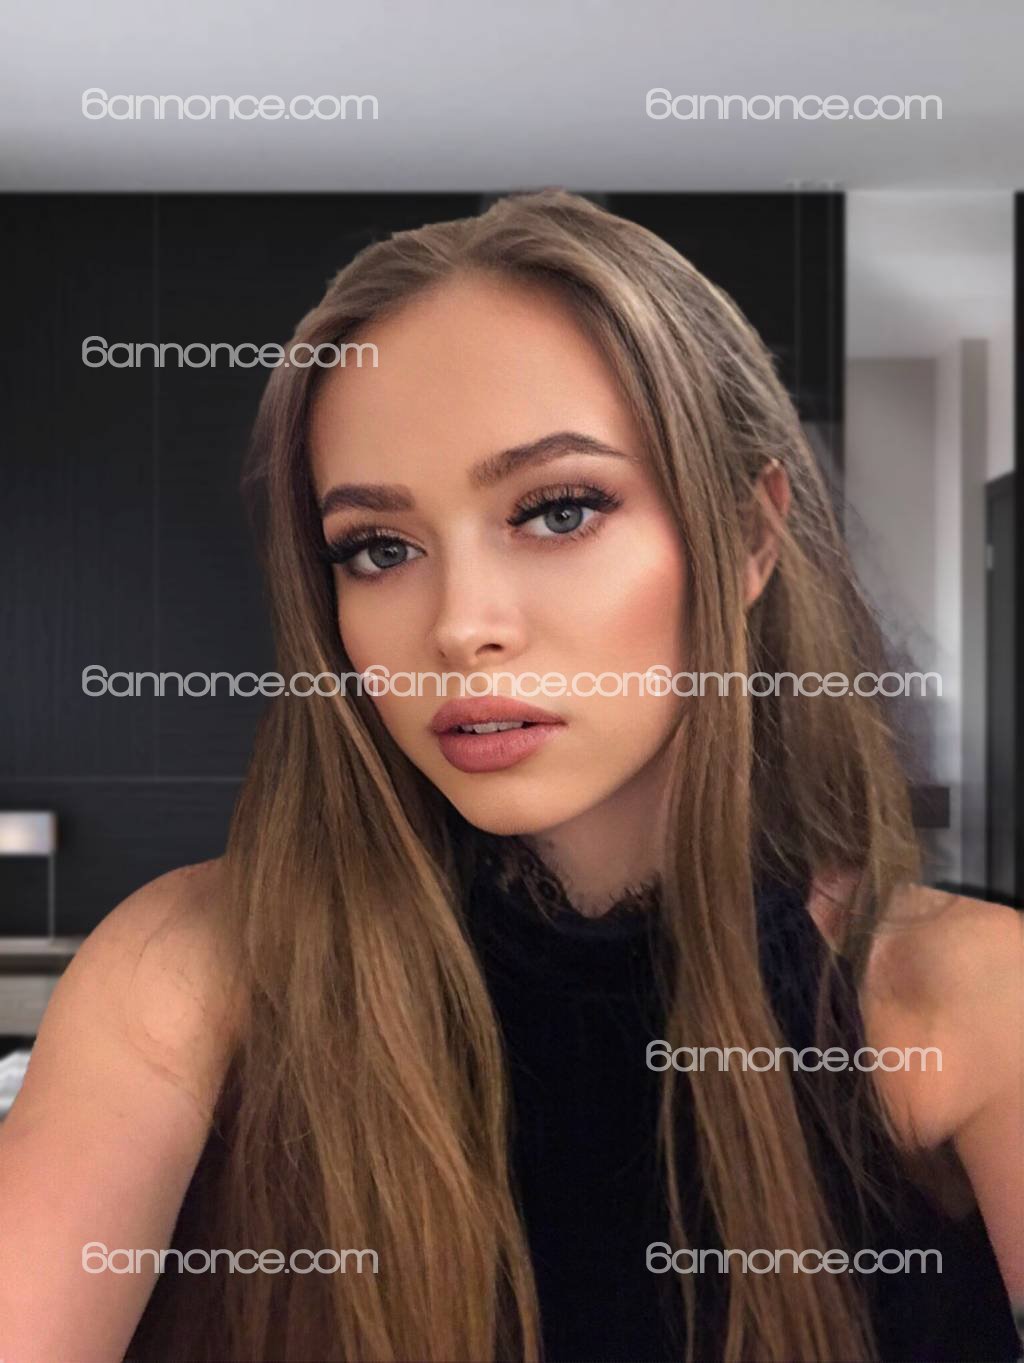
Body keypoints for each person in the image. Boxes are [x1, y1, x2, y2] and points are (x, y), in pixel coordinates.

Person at [1, 189, 1020, 1363]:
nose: (459, 625)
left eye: (557, 509)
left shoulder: (968, 1003)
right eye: (379, 548)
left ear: (746, 538)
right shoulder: (190, 970)